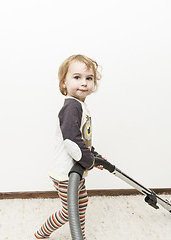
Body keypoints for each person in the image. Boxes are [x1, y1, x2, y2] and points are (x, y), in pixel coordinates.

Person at [34, 54, 105, 239]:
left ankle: (79, 234)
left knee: (81, 204)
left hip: (77, 169)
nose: (84, 83)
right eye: (77, 77)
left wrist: (94, 155)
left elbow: (83, 138)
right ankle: (41, 234)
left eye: (89, 78)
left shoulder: (80, 106)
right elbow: (71, 141)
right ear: (63, 82)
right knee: (69, 211)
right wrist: (89, 161)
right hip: (66, 173)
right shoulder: (72, 107)